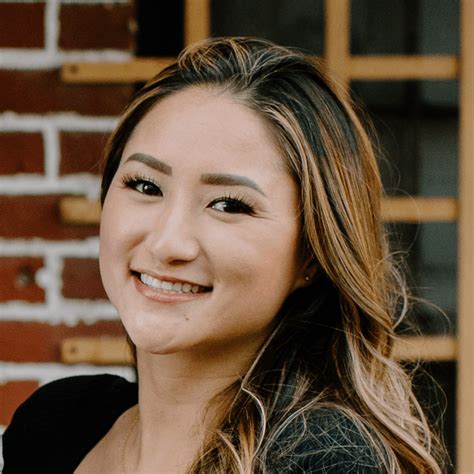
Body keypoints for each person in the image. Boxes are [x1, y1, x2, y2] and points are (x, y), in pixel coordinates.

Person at [2, 37, 445, 473]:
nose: (166, 243)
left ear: (312, 255)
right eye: (145, 185)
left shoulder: (322, 460)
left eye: (229, 205)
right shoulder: (57, 427)